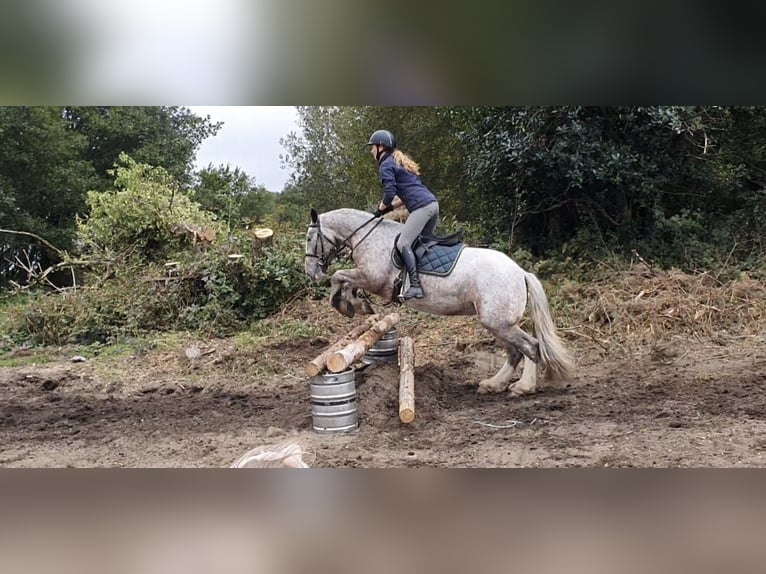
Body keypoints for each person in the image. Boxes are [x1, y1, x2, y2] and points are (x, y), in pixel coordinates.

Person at [367, 129, 439, 300]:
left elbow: (390, 192)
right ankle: (433, 282)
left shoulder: (386, 164)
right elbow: (405, 197)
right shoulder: (397, 161)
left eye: (372, 147)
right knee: (422, 245)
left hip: (422, 208)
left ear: (381, 147)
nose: (371, 151)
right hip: (432, 205)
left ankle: (415, 286)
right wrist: (389, 208)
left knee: (403, 243)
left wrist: (381, 208)